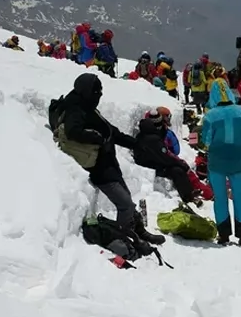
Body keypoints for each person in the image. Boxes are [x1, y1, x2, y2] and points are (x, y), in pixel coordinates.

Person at [54, 73, 165, 257]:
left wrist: (135, 144)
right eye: (97, 91)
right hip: (99, 170)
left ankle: (137, 233)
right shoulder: (76, 109)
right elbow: (74, 131)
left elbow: (110, 131)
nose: (99, 95)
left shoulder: (86, 106)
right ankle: (123, 241)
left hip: (108, 165)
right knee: (125, 205)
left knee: (127, 200)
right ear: (88, 91)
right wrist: (97, 138)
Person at [199, 80, 241, 246]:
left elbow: (206, 141)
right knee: (239, 197)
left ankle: (224, 235)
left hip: (217, 162)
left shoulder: (210, 116)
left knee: (221, 198)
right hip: (237, 160)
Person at [131, 111, 202, 206]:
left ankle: (190, 193)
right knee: (177, 170)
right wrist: (181, 164)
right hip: (150, 165)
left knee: (178, 168)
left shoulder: (147, 134)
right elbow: (166, 157)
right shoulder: (153, 139)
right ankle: (188, 197)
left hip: (151, 162)